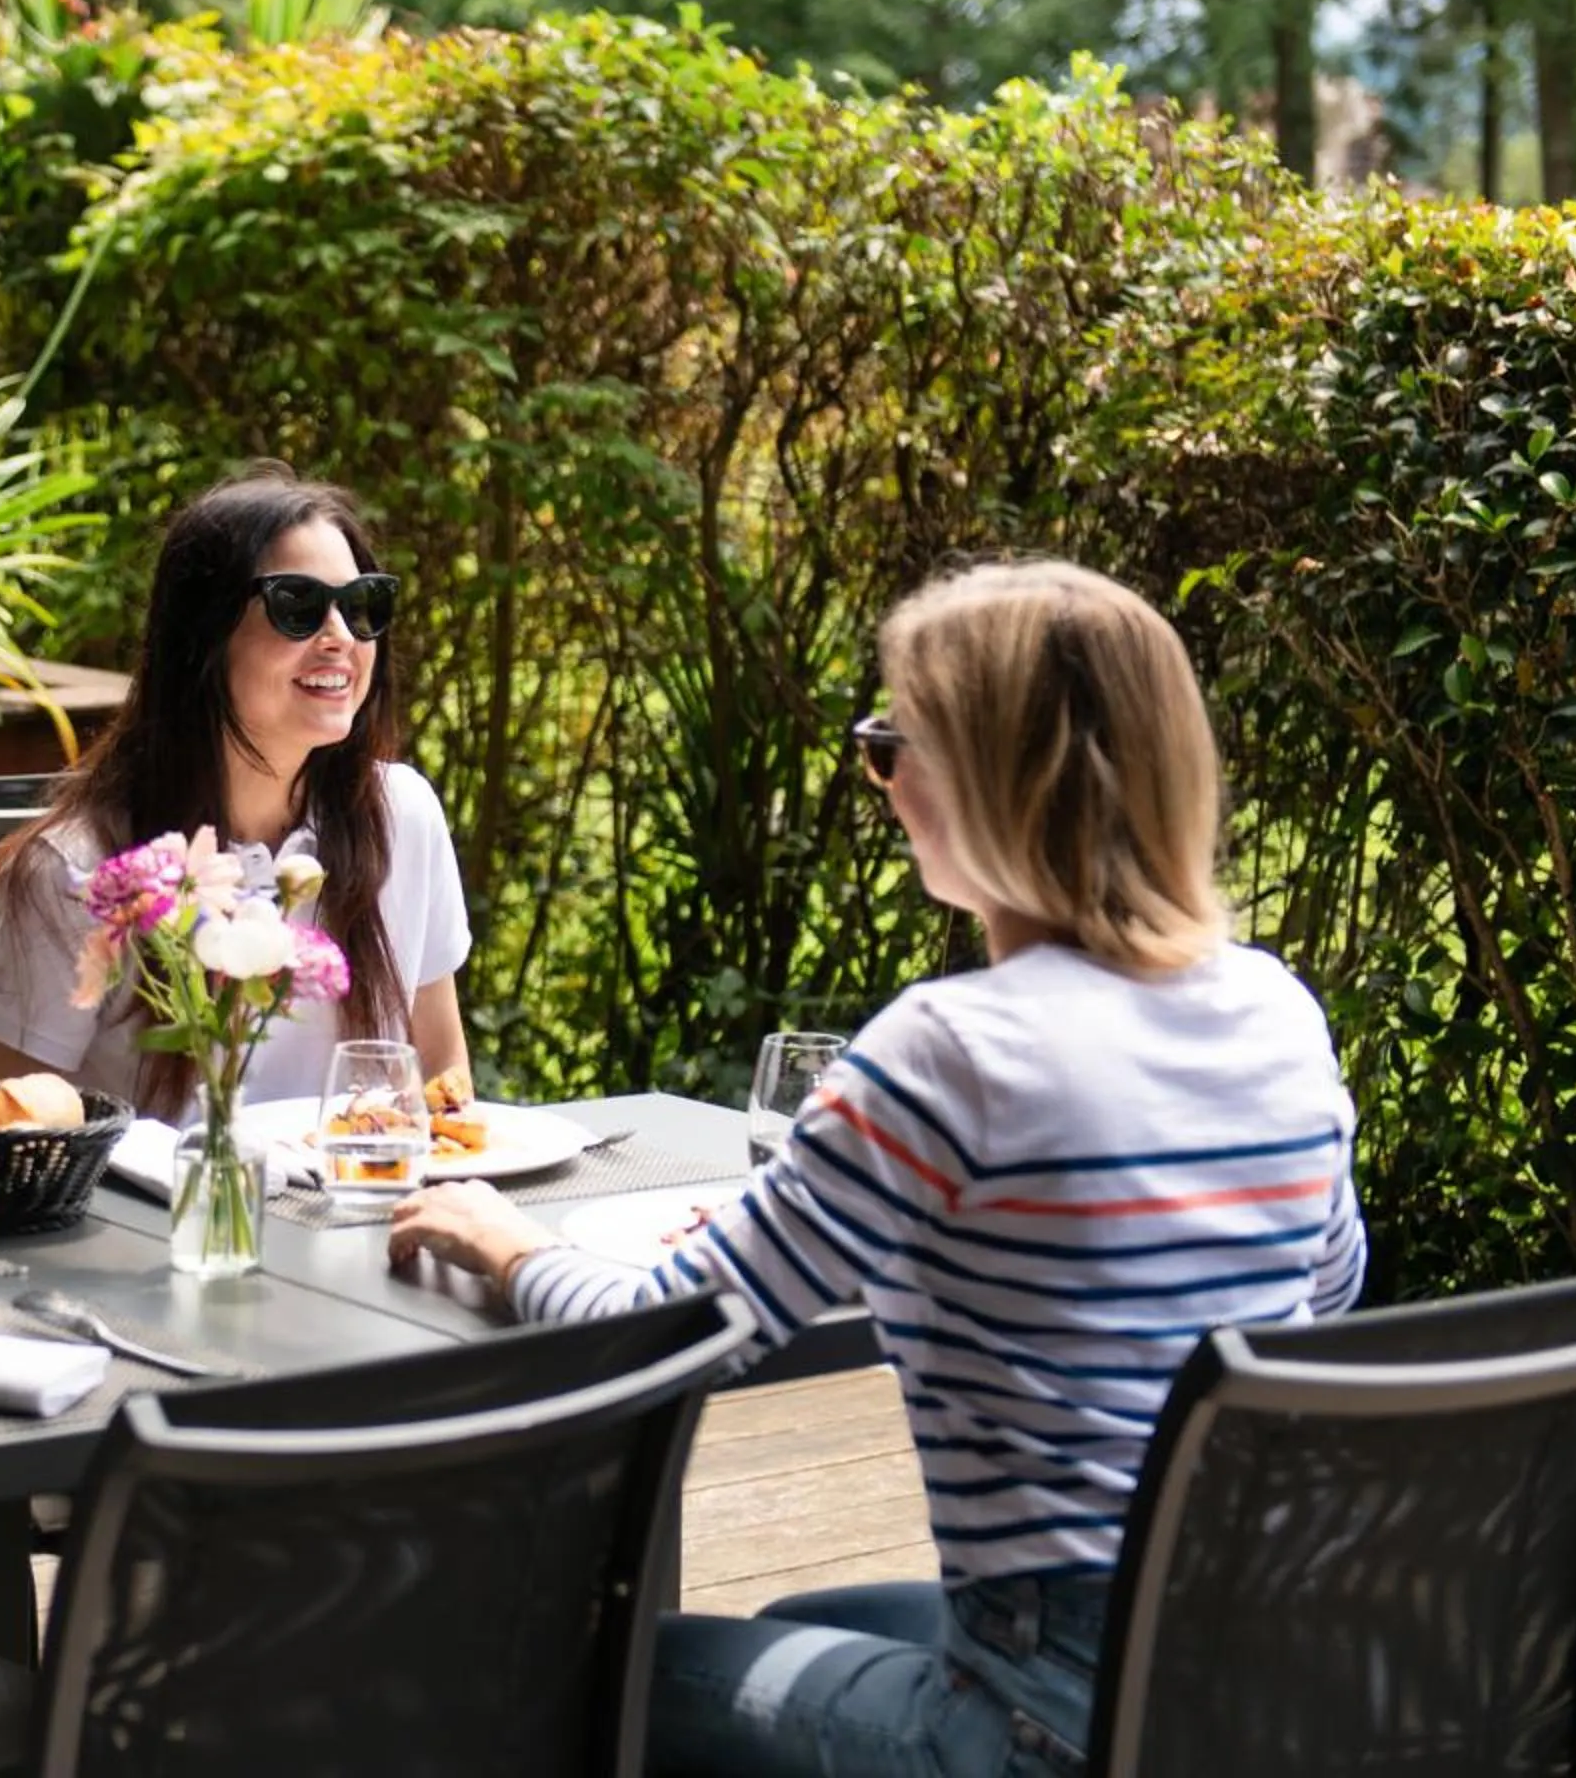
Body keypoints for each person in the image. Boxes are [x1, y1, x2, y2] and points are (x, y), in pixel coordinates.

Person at [389, 558, 1366, 1778]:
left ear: (985, 782)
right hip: (1247, 1673)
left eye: (892, 746)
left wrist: (508, 1241)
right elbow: (1320, 1292)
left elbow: (661, 1338)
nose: (885, 781)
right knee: (808, 1620)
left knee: (589, 1670)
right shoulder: (1276, 1008)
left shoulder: (952, 1050)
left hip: (1045, 1723)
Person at [0, 466, 472, 1113]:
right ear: (203, 637)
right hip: (170, 1185)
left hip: (361, 1179)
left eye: (362, 604)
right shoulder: (84, 871)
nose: (341, 637)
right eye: (298, 606)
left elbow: (444, 1079)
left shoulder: (403, 817)